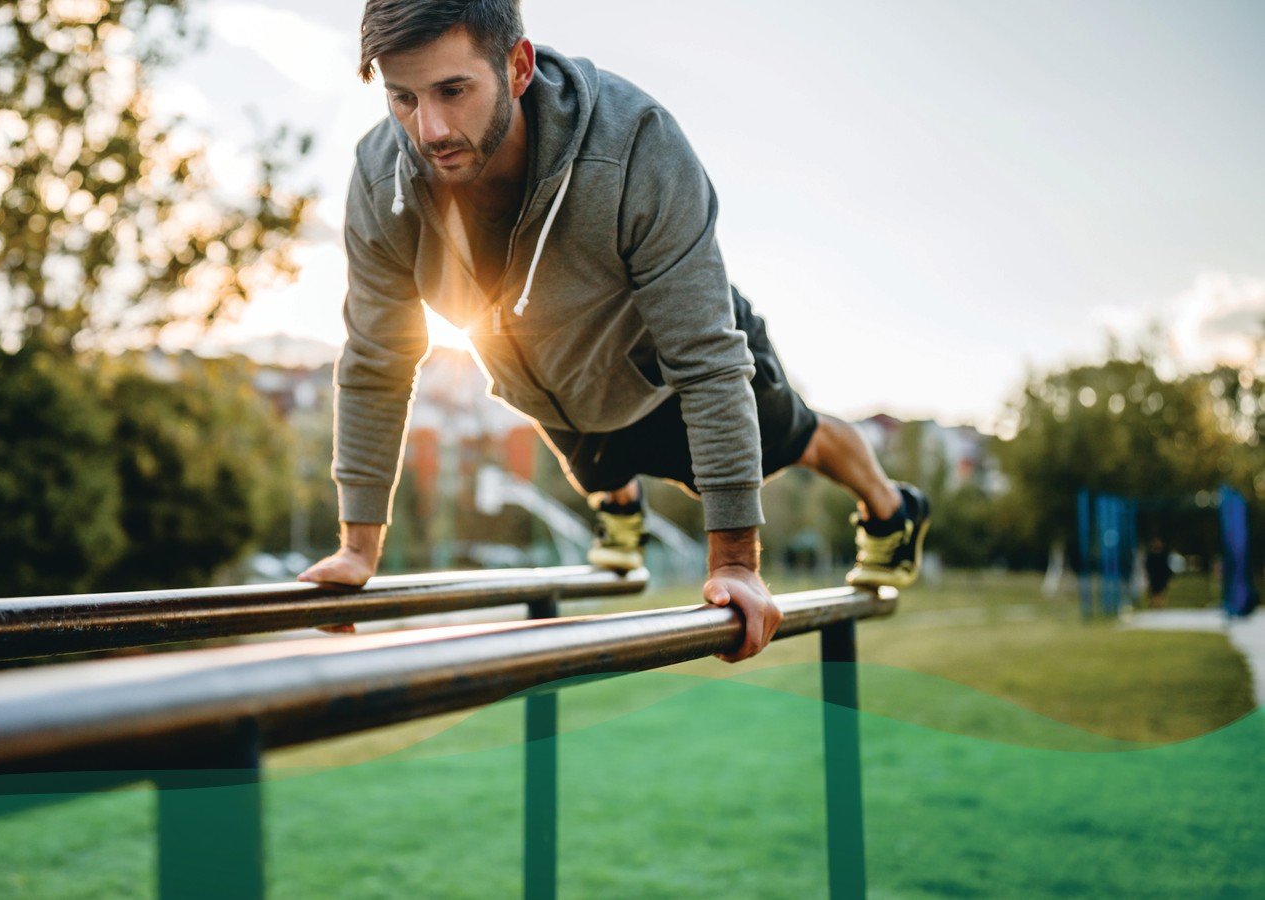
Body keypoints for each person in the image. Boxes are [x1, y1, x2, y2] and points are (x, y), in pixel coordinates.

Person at [300, 0, 931, 662]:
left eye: (453, 91)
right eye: (402, 98)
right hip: (549, 376)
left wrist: (736, 561)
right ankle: (623, 510)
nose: (428, 129)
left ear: (518, 66)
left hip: (665, 357)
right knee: (595, 465)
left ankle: (892, 507)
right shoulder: (382, 179)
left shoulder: (632, 144)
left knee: (794, 439)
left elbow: (707, 362)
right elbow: (377, 359)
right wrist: (356, 548)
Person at [1144, 538, 1172, 609]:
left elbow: (1166, 566)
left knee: (1161, 591)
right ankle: (1157, 605)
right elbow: (1148, 566)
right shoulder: (1151, 555)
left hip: (1162, 576)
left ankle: (1159, 604)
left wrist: (1168, 575)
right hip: (1154, 576)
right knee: (1155, 591)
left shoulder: (1164, 555)